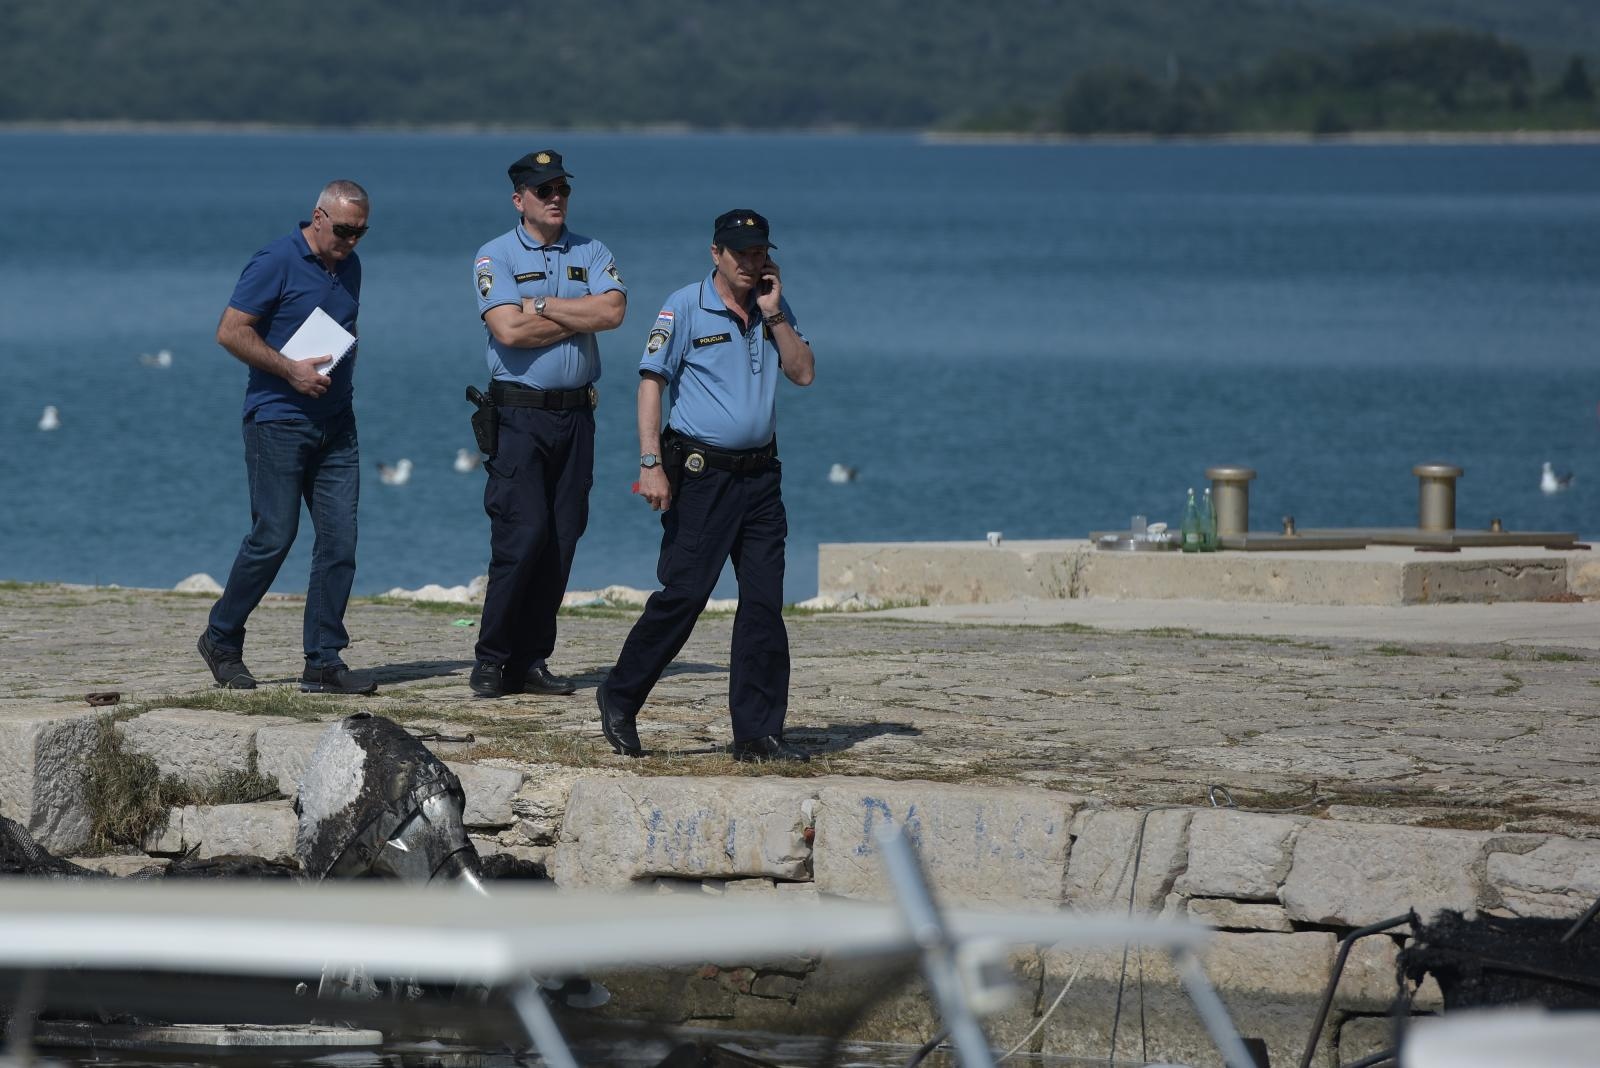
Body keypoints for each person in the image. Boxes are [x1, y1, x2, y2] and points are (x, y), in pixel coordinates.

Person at [597, 209, 815, 762]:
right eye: (739, 252)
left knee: (764, 604)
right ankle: (620, 696)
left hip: (762, 476)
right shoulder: (684, 307)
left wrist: (775, 317)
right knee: (685, 596)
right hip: (702, 474)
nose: (750, 262)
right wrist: (651, 463)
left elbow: (803, 372)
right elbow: (651, 384)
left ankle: (758, 733)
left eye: (759, 252)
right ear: (715, 253)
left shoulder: (773, 308)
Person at [197, 180, 378, 695]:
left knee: (340, 541)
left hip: (337, 423)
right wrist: (290, 370)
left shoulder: (351, 266)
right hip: (277, 419)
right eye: (344, 230)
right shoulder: (274, 260)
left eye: (361, 232)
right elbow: (231, 331)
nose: (351, 241)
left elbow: (344, 327)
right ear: (318, 217)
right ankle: (221, 638)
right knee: (273, 536)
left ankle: (323, 660)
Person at [468, 150, 627, 698]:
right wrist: (573, 312)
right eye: (543, 190)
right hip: (519, 415)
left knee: (562, 539)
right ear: (520, 200)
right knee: (522, 533)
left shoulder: (593, 250)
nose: (555, 197)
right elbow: (508, 333)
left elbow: (612, 314)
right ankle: (492, 659)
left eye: (561, 188)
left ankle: (532, 658)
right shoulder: (495, 255)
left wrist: (540, 306)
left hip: (576, 415)